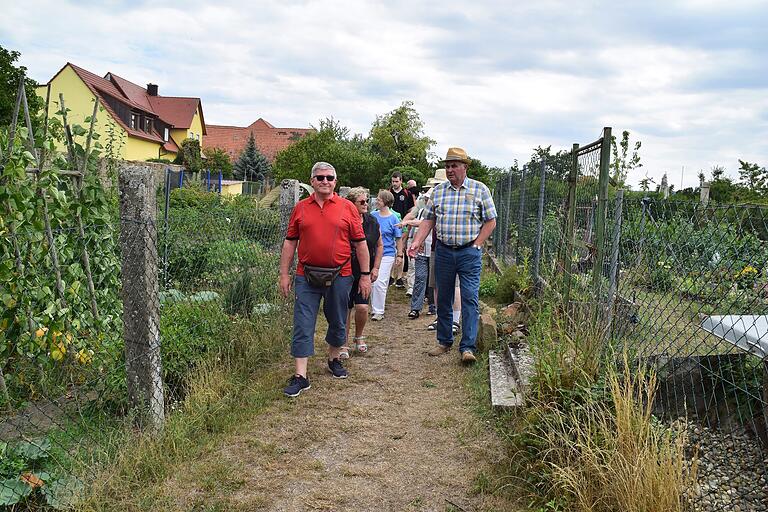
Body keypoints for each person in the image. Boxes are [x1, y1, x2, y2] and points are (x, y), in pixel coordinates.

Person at [279, 162, 371, 397]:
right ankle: (301, 376)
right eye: (320, 178)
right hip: (306, 275)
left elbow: (360, 244)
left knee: (338, 318)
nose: (325, 181)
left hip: (340, 274)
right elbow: (290, 241)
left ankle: (333, 358)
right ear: (312, 181)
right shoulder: (300, 208)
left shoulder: (348, 208)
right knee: (303, 322)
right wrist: (284, 274)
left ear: (335, 182)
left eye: (329, 178)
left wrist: (365, 276)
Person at [408, 147, 497, 364]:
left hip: (469, 252)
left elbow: (491, 221)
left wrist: (477, 244)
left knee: (469, 297)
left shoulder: (479, 189)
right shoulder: (438, 192)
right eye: (447, 166)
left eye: (454, 165)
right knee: (443, 297)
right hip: (445, 252)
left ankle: (467, 347)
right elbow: (428, 220)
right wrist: (417, 241)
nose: (449, 170)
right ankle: (444, 341)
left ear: (465, 167)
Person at [341, 187, 383, 358]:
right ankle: (342, 342)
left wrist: (376, 267)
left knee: (362, 307)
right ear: (351, 204)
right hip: (344, 269)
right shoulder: (343, 220)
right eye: (362, 202)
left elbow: (379, 245)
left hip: (364, 271)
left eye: (367, 201)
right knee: (344, 308)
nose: (366, 204)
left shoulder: (372, 221)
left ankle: (359, 336)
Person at [370, 190, 403, 321]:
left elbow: (398, 238)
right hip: (373, 253)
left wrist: (399, 255)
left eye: (379, 199)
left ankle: (379, 311)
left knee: (380, 281)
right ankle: (374, 307)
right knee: (372, 281)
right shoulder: (372, 216)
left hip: (387, 253)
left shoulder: (394, 218)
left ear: (385, 202)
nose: (376, 201)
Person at [389, 171, 414, 288]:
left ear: (401, 181)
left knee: (401, 250)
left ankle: (399, 278)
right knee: (389, 250)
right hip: (390, 225)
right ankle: (389, 276)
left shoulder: (407, 193)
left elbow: (411, 211)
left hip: (402, 225)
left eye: (396, 181)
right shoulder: (388, 193)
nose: (394, 183)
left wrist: (407, 227)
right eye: (393, 181)